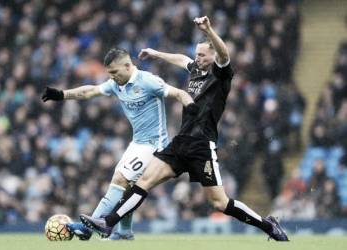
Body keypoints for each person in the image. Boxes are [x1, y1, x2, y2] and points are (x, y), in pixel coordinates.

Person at [80, 16, 290, 242]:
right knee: (143, 181)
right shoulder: (196, 70)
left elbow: (225, 54)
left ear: (213, 56)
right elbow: (182, 60)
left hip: (202, 145)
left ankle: (267, 225)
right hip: (180, 142)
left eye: (202, 55)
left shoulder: (220, 73)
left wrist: (209, 30)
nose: (197, 59)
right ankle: (108, 223)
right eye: (197, 54)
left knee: (219, 203)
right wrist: (157, 54)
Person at [41, 47, 199, 240]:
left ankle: (88, 228)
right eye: (110, 73)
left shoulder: (148, 81)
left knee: (119, 179)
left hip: (154, 144)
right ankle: (124, 232)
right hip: (137, 143)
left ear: (127, 65)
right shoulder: (117, 84)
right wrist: (61, 94)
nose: (112, 77)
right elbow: (91, 91)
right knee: (127, 186)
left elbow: (179, 94)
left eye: (114, 72)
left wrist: (191, 107)